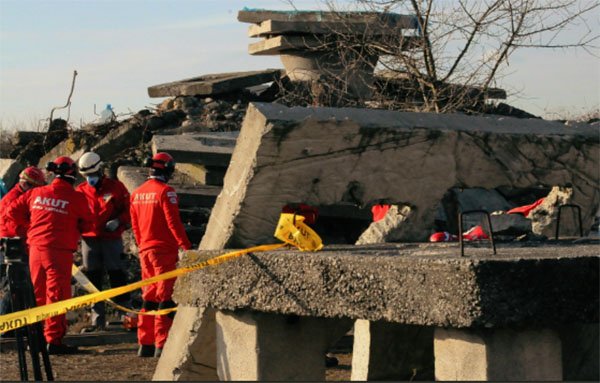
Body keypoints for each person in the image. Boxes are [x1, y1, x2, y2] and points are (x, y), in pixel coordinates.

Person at [6, 156, 94, 354]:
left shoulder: (36, 192)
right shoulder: (77, 198)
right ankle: (53, 340)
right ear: (72, 174)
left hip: (35, 249)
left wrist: (28, 229)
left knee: (37, 293)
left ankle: (35, 339)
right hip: (58, 251)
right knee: (57, 295)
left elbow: (11, 212)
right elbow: (89, 224)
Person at [130, 152, 191, 358]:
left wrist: (142, 246)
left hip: (145, 250)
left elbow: (135, 226)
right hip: (164, 250)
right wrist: (186, 247)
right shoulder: (166, 192)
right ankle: (161, 344)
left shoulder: (136, 193)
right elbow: (174, 223)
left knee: (149, 297)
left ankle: (145, 343)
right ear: (167, 169)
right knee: (165, 298)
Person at [76, 152, 131, 332]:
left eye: (92, 174)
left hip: (111, 239)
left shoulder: (116, 188)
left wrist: (119, 221)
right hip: (89, 241)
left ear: (100, 170)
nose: (90, 178)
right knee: (93, 280)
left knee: (117, 276)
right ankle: (97, 320)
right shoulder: (80, 191)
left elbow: (129, 210)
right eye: (87, 176)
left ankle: (125, 317)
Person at [0, 166, 46, 318]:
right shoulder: (13, 200)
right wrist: (34, 228)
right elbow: (14, 226)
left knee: (18, 287)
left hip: (15, 246)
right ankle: (6, 326)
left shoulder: (17, 196)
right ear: (27, 184)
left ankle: (13, 326)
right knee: (13, 287)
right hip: (12, 248)